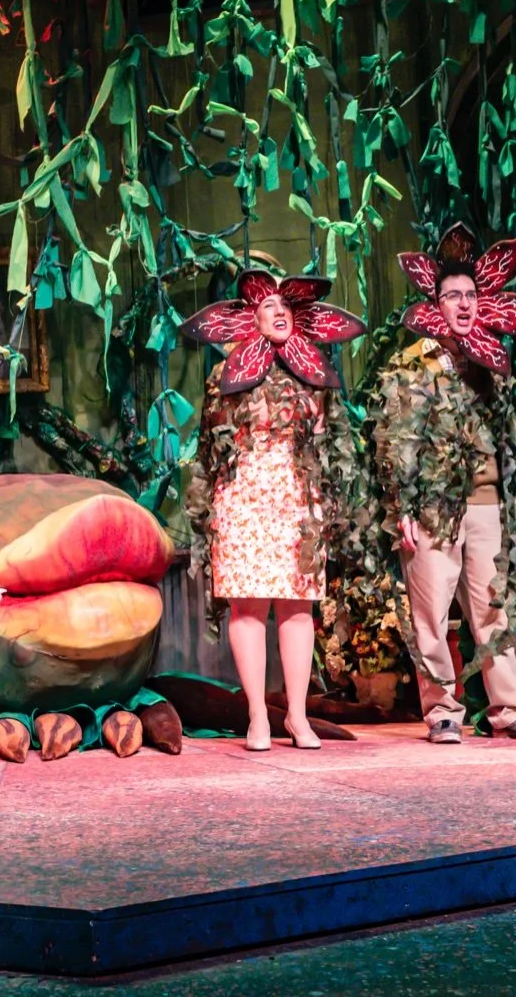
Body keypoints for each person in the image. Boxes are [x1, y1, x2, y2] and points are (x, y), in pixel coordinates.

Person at [374, 223, 516, 744]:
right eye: (453, 295)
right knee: (431, 613)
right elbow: (397, 439)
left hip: (485, 500)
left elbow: (505, 436)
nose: (464, 303)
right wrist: (401, 506)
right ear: (436, 304)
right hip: (433, 505)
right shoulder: (413, 364)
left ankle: (508, 710)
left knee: (493, 609)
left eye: (471, 294)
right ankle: (442, 713)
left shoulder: (491, 360)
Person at [182, 268, 366, 750]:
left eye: (287, 306)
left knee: (298, 607)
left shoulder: (315, 372)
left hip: (297, 494)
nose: (280, 312)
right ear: (252, 318)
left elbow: (333, 443)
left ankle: (298, 717)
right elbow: (210, 446)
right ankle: (258, 716)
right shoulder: (225, 375)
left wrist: (332, 503)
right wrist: (208, 510)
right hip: (243, 494)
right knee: (246, 606)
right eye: (269, 306)